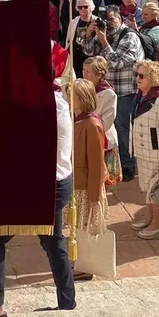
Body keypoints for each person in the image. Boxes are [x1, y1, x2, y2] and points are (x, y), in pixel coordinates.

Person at [0, 44, 76, 317]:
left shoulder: (41, 104)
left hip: (39, 187)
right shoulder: (58, 98)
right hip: (57, 184)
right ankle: (67, 301)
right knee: (54, 241)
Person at [82, 6, 144, 182]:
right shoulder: (103, 33)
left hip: (126, 91)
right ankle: (113, 165)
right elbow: (88, 51)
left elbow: (117, 62)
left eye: (111, 20)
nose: (108, 24)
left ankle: (128, 166)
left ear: (120, 19)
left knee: (123, 129)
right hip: (107, 90)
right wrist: (89, 33)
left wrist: (103, 41)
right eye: (104, 20)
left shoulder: (129, 36)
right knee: (109, 129)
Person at [129, 60, 159, 239]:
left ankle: (157, 225)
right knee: (147, 189)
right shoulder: (141, 96)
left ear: (153, 78)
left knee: (157, 191)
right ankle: (150, 218)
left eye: (142, 76)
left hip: (156, 155)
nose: (138, 78)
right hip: (143, 153)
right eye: (137, 75)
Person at [71, 78, 108, 267]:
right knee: (75, 228)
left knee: (84, 229)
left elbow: (96, 163)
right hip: (75, 185)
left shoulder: (91, 124)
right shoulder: (75, 119)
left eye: (72, 95)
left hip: (86, 189)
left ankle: (85, 265)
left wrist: (94, 197)